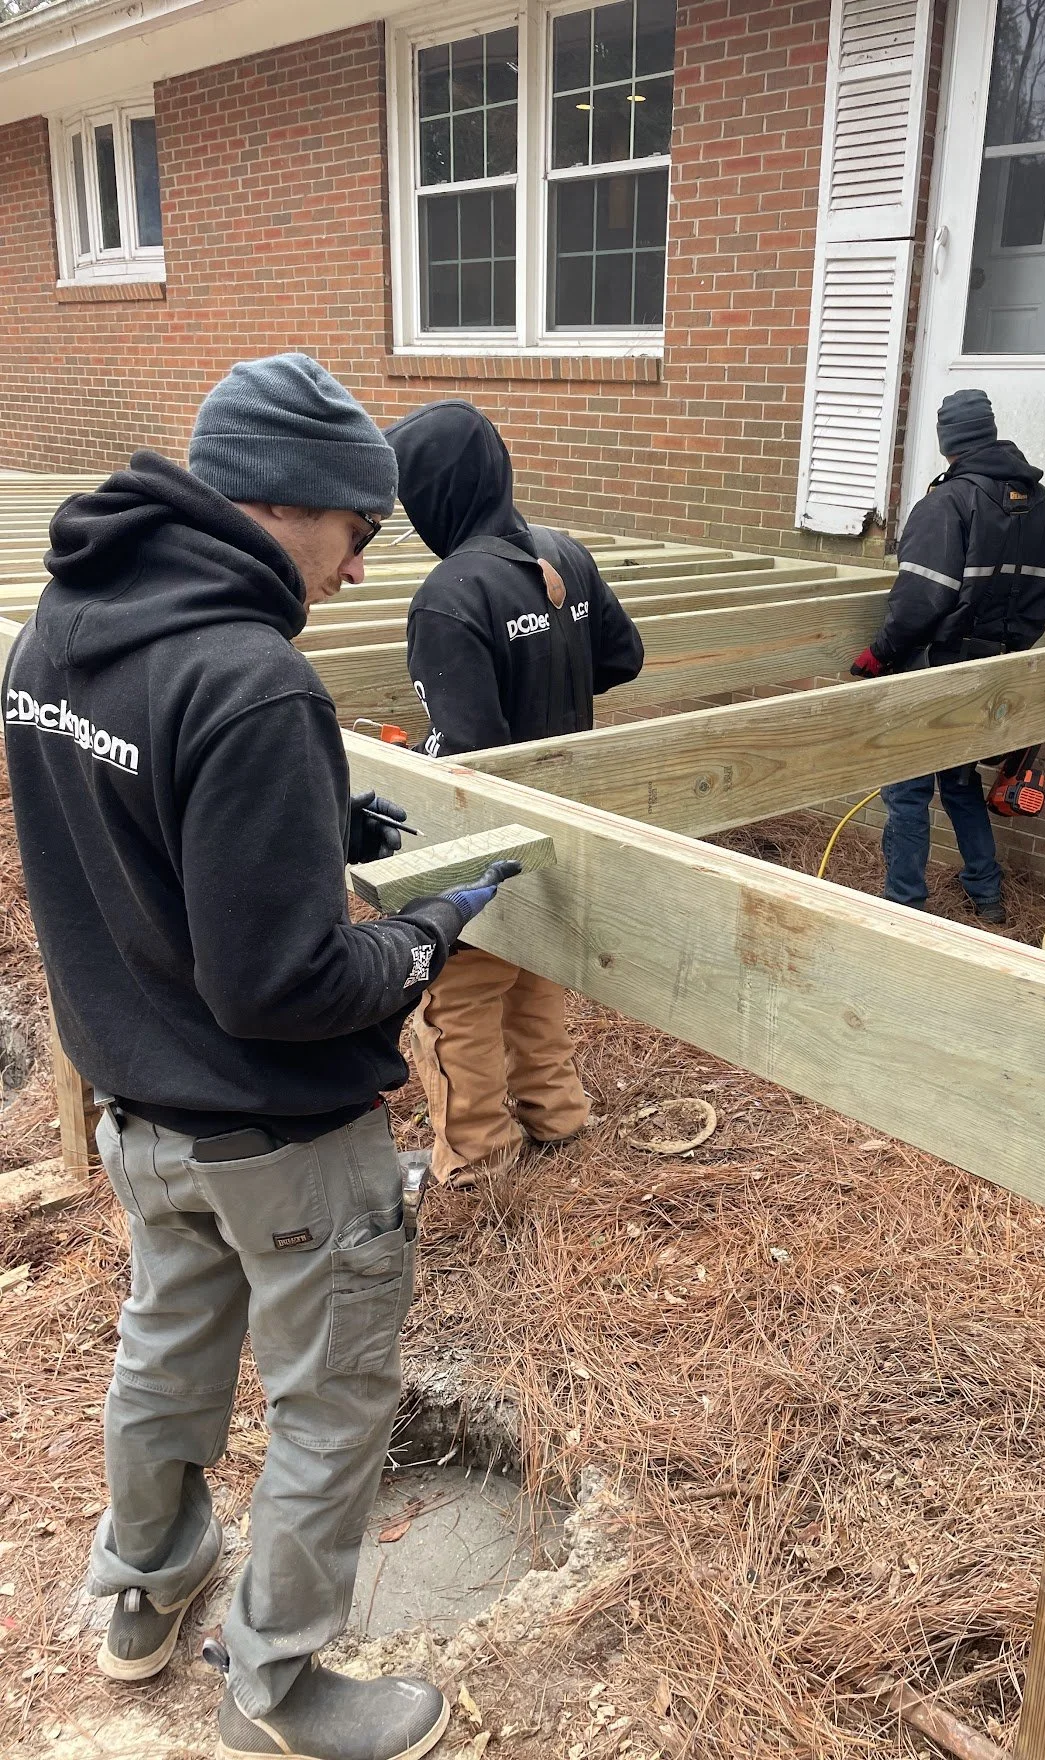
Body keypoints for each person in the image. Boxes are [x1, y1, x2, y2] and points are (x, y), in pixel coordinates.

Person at [2, 354, 520, 1760]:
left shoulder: (58, 630)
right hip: (282, 1143)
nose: (360, 573)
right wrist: (418, 942)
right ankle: (280, 1687)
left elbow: (132, 830)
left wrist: (306, 833)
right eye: (360, 536)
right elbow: (283, 983)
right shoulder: (253, 681)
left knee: (165, 1356)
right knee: (334, 1398)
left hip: (143, 1120)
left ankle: (144, 1595)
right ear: (290, 504)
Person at [385, 400, 644, 1190]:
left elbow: (466, 751)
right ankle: (557, 1114)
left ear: (435, 493)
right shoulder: (563, 552)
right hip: (557, 818)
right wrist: (548, 674)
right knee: (533, 974)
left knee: (458, 996)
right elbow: (622, 658)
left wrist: (409, 762)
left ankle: (480, 1153)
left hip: (483, 831)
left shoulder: (449, 593)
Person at [850, 388, 1045, 923]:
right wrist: (1013, 643)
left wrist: (879, 654)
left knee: (907, 790)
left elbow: (919, 601)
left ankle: (904, 906)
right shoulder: (1037, 504)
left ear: (948, 440)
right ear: (988, 433)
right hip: (994, 670)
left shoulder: (948, 501)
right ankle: (987, 893)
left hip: (938, 669)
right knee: (958, 781)